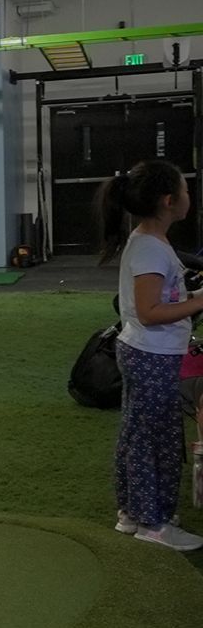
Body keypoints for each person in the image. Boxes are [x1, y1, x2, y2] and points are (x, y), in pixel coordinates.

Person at [99, 159, 203, 551]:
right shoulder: (149, 249)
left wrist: (192, 297)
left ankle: (133, 513)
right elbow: (150, 312)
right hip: (151, 354)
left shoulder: (150, 242)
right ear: (169, 201)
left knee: (139, 434)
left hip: (148, 352)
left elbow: (165, 299)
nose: (189, 196)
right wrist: (198, 303)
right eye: (186, 189)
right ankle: (153, 524)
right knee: (152, 440)